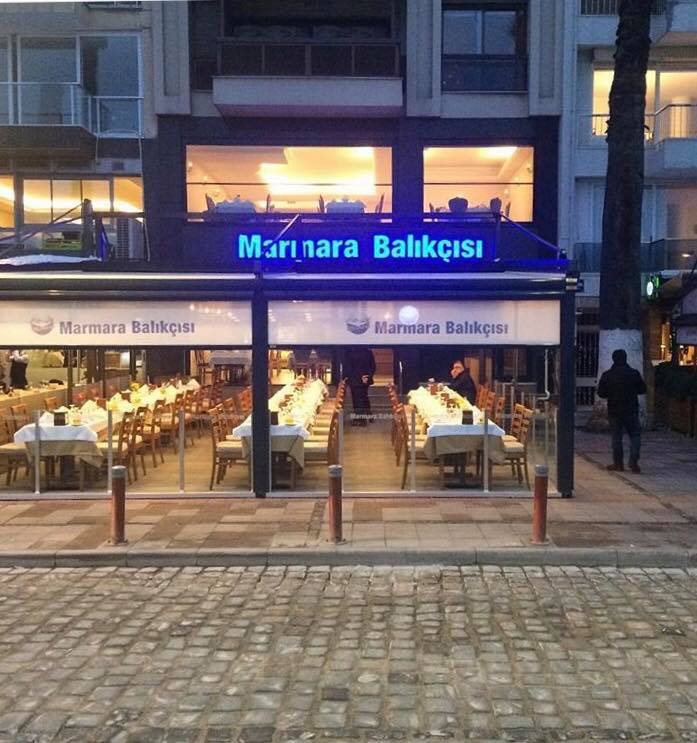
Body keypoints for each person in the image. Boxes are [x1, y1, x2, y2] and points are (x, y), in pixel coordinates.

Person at [597, 348, 647, 473]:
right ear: (625, 358)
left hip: (614, 410)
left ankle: (618, 464)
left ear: (613, 359)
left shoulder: (607, 375)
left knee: (616, 437)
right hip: (631, 410)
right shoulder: (634, 373)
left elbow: (601, 393)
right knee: (635, 435)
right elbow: (642, 389)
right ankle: (633, 461)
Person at [344, 346, 376, 426]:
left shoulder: (350, 352)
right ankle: (368, 416)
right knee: (364, 397)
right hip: (364, 379)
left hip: (355, 380)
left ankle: (361, 420)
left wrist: (349, 377)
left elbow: (349, 368)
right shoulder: (368, 352)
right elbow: (373, 366)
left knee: (357, 400)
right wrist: (368, 376)